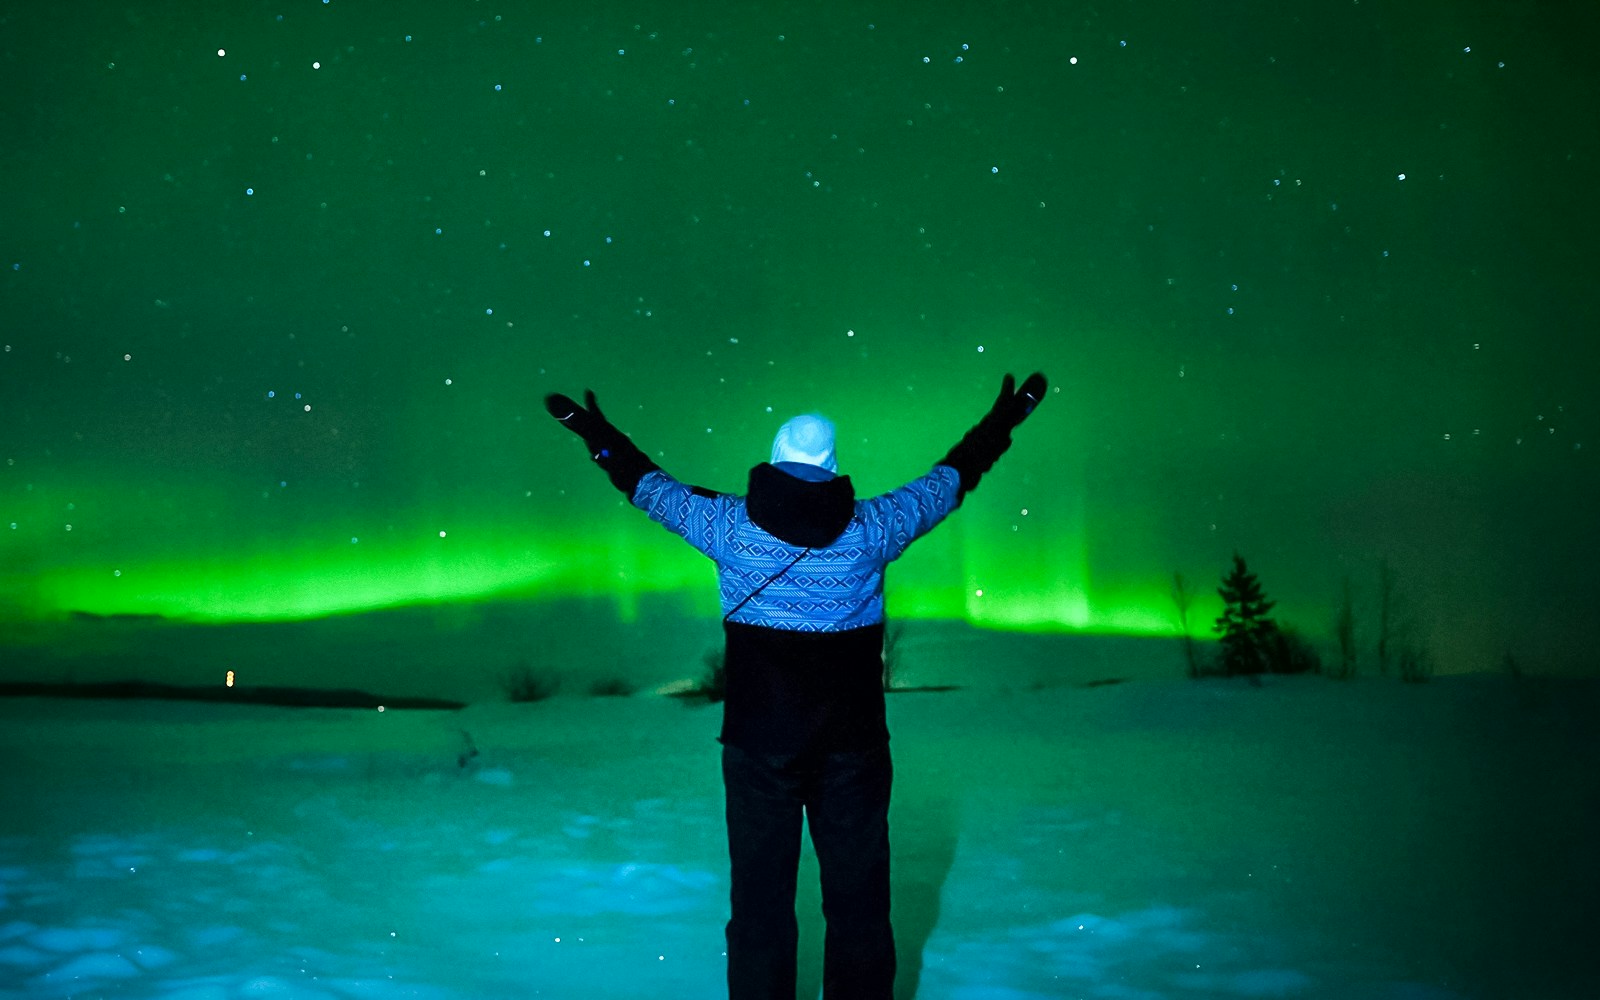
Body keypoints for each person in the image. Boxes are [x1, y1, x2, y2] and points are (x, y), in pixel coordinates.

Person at [544, 372, 1048, 999]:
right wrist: (1005, 420)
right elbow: (953, 476)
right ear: (833, 465)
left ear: (775, 456)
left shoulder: (728, 528)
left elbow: (647, 485)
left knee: (760, 912)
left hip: (760, 750)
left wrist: (594, 431)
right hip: (854, 752)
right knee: (860, 910)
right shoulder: (873, 529)